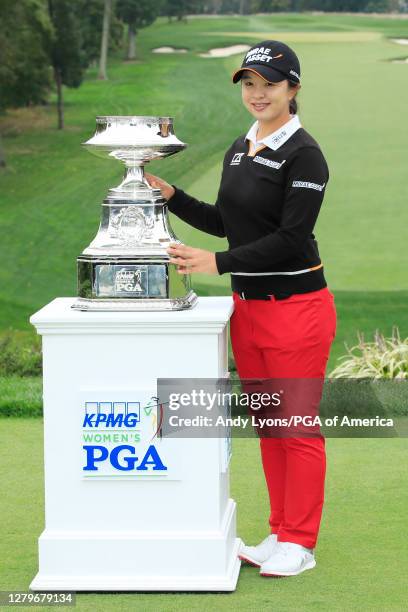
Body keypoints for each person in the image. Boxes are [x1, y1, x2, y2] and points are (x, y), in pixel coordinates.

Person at [145, 40, 337, 578]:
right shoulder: (240, 146)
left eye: (269, 84)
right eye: (249, 84)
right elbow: (230, 221)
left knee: (295, 428)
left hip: (296, 308)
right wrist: (174, 198)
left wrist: (218, 262)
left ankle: (301, 543)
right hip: (248, 312)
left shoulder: (304, 155)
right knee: (269, 427)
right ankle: (279, 533)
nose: (257, 94)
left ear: (292, 89)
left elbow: (291, 239)